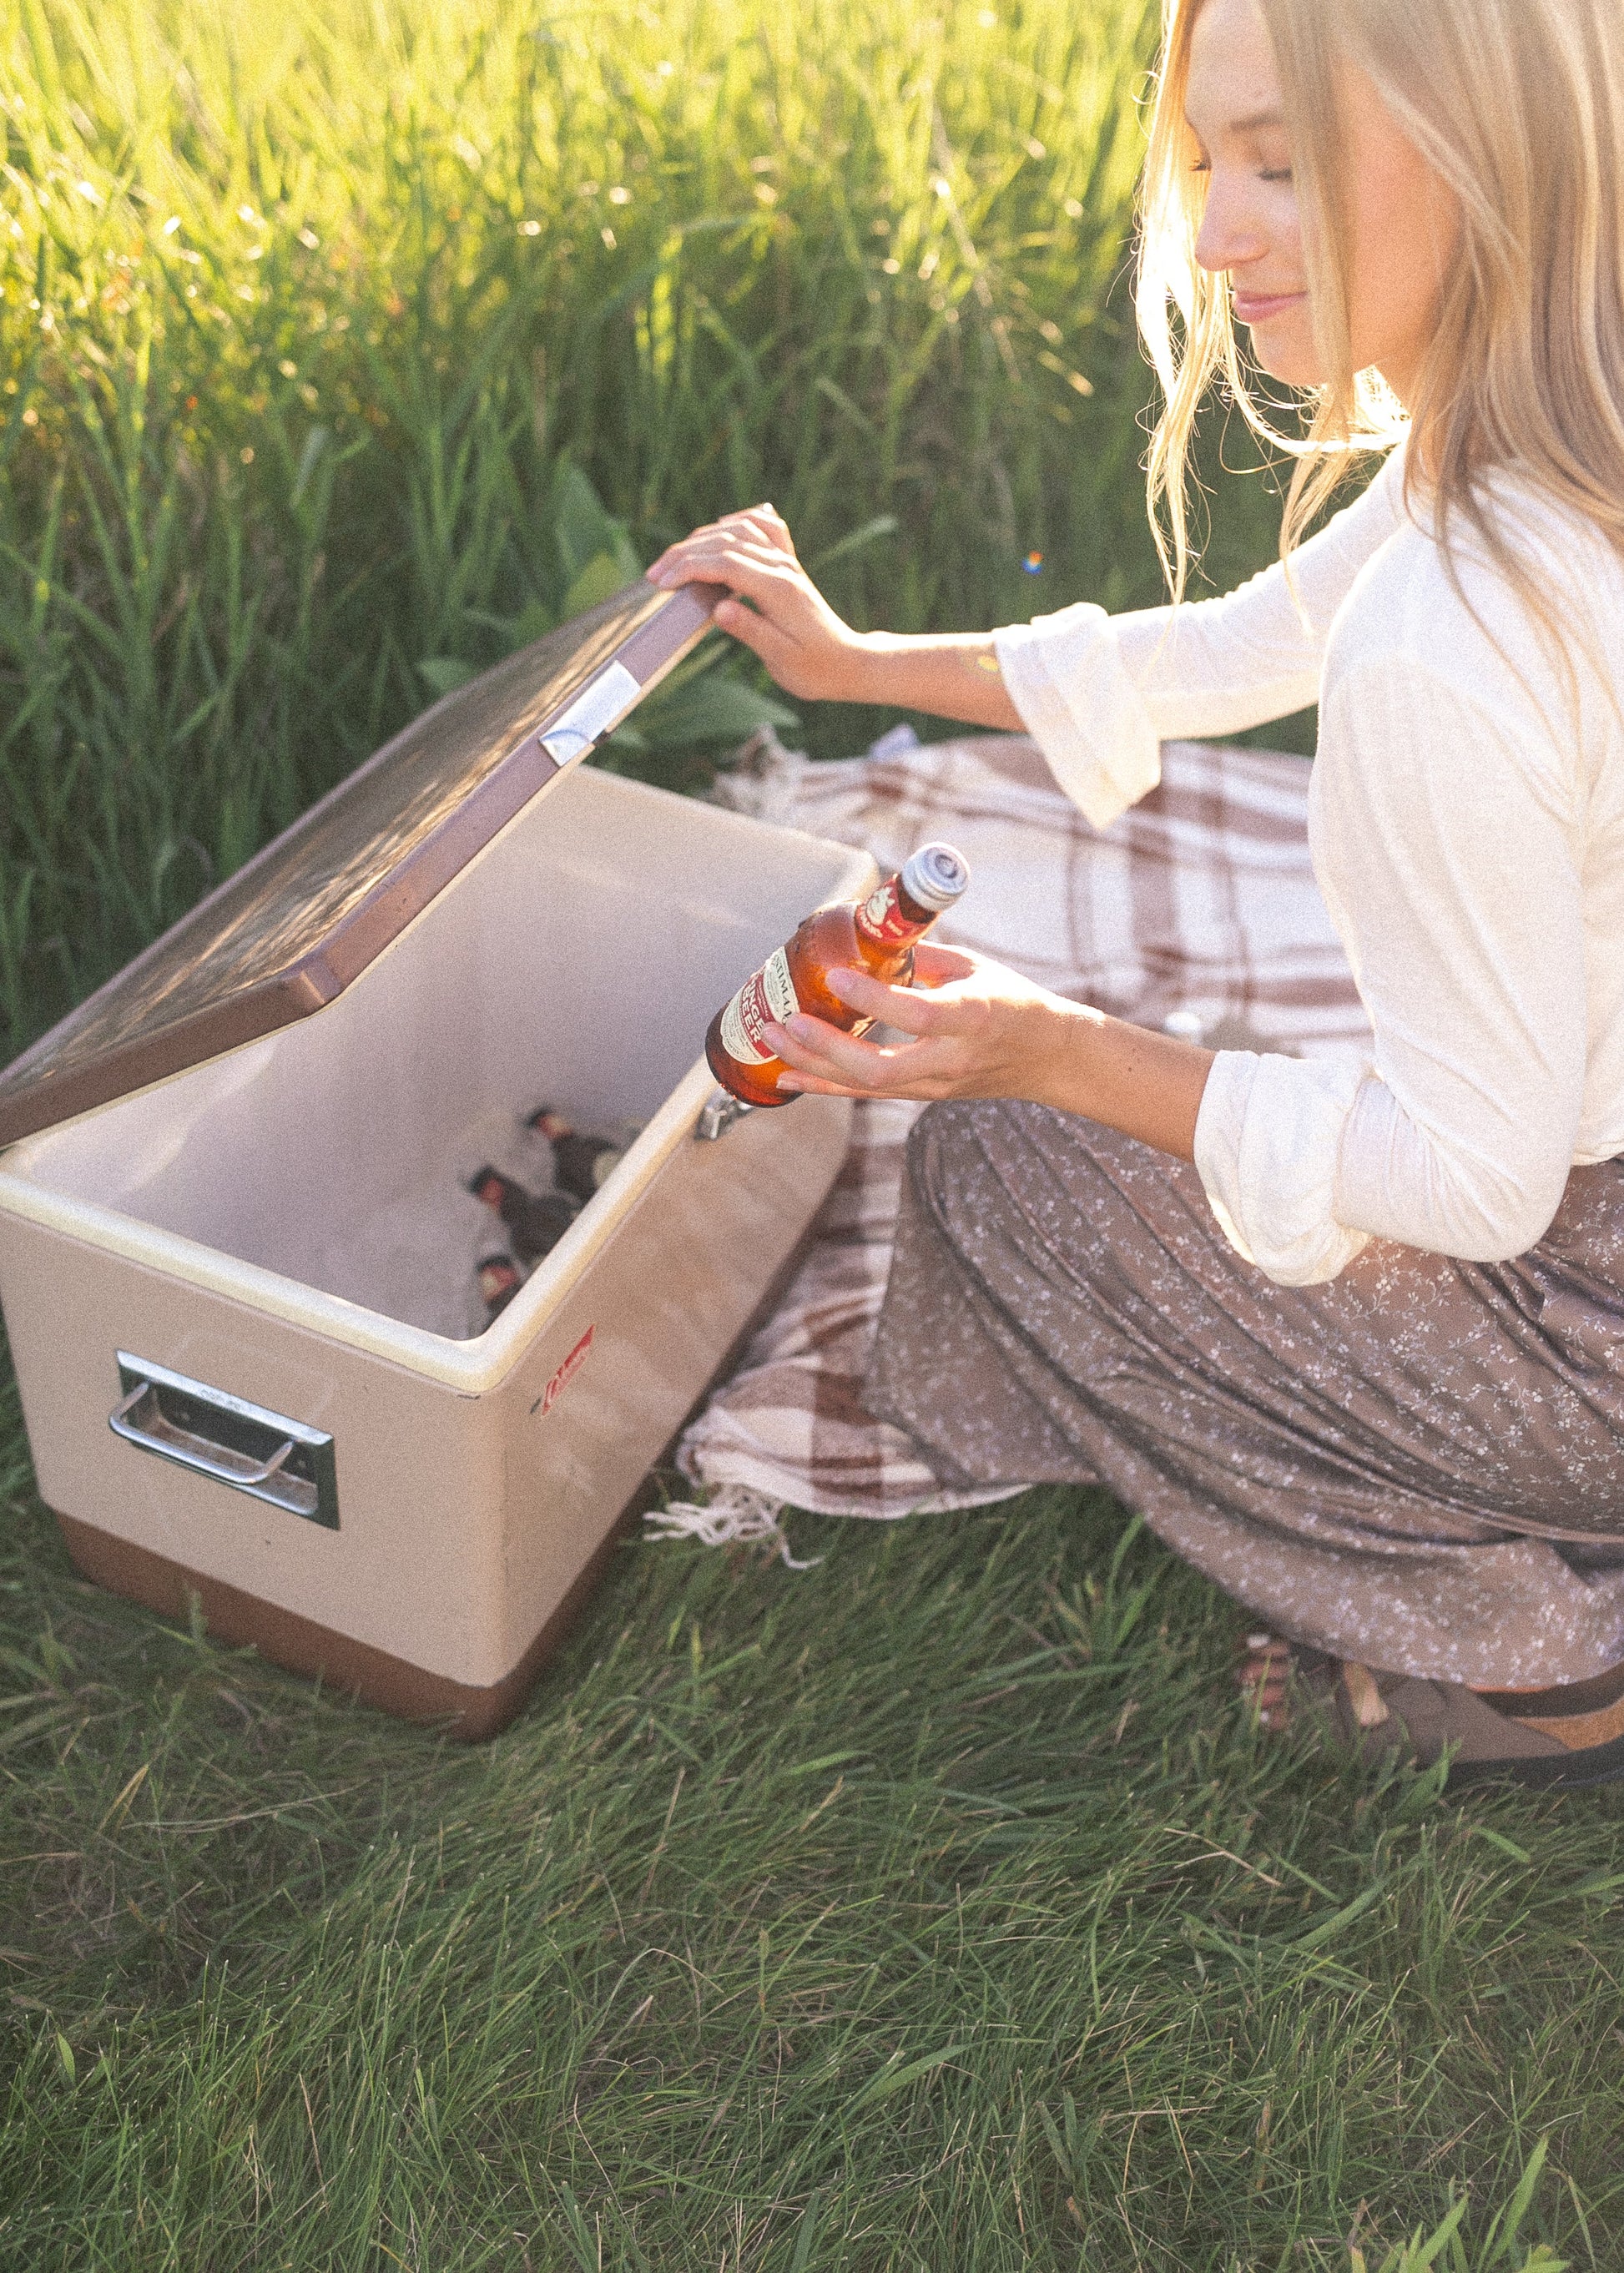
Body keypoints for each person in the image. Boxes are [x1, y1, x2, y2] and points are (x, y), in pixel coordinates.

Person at [648, 0, 1624, 1788]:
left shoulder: (1454, 637)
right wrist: (859, 665)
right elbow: (1242, 647)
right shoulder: (1556, 419)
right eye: (1200, 166)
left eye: (1280, 158)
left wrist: (1052, 1052)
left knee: (1008, 1165)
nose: (1219, 229)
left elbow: (1472, 1183)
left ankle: (1553, 1663)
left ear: (1484, 142)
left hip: (1594, 1335)